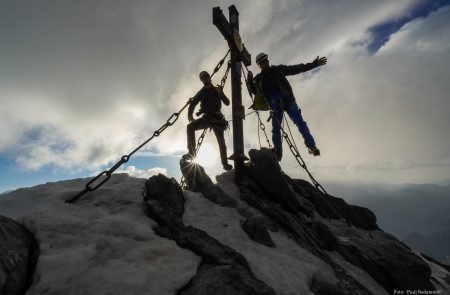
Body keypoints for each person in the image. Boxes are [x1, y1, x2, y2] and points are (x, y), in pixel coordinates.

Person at [246, 53, 327, 161]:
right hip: (276, 105)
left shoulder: (278, 69)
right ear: (259, 65)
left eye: (265, 61)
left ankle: (311, 146)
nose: (264, 64)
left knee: (300, 123)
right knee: (276, 129)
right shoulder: (259, 79)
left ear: (268, 61)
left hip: (288, 101)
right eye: (261, 63)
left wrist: (314, 64)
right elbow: (254, 91)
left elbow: (296, 69)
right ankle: (278, 153)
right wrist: (250, 81)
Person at [183, 71, 233, 171]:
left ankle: (225, 164)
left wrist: (221, 93)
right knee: (190, 127)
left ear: (209, 78)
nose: (205, 79)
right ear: (201, 80)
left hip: (217, 119)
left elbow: (227, 103)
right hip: (207, 118)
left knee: (221, 142)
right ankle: (192, 153)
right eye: (203, 78)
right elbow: (193, 103)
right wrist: (190, 115)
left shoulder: (216, 90)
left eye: (206, 77)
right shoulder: (201, 92)